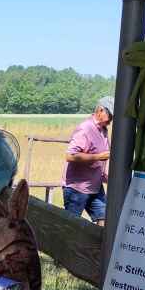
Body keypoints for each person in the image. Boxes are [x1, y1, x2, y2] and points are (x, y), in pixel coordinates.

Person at [61, 96, 113, 225]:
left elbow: (101, 161)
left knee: (105, 222)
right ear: (101, 110)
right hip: (76, 189)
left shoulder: (104, 131)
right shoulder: (85, 128)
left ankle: (102, 246)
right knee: (71, 227)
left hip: (95, 187)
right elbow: (71, 156)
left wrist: (106, 177)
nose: (112, 120)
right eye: (110, 115)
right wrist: (98, 157)